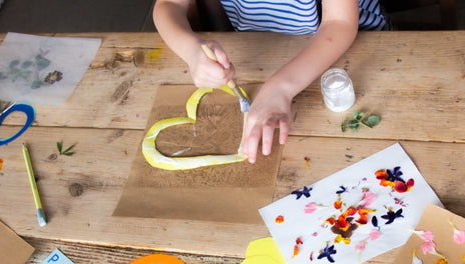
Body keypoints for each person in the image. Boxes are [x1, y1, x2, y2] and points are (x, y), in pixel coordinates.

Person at [153, 0, 389, 163]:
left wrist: (281, 87)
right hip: (264, 49)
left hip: (357, 47)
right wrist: (192, 52)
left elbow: (340, 23)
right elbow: (168, 6)